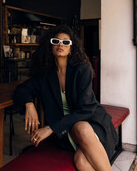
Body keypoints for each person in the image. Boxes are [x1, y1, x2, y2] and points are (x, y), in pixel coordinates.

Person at [14, 25, 118, 171]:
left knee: (81, 144)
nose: (60, 44)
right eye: (56, 41)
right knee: (81, 154)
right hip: (66, 133)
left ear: (71, 49)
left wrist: (51, 128)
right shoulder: (45, 75)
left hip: (92, 125)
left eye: (65, 42)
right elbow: (22, 90)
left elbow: (86, 110)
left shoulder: (82, 71)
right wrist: (29, 105)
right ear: (50, 46)